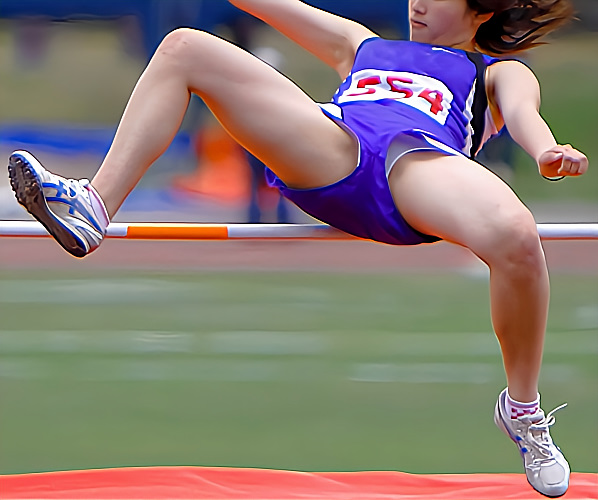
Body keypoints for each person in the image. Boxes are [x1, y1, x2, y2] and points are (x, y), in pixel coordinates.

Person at [7, 0, 589, 496]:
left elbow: (524, 117)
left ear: (480, 9)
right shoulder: (361, 44)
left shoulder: (494, 70)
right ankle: (95, 206)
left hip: (421, 164)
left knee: (517, 234)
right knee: (185, 46)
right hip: (336, 145)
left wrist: (545, 152)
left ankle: (522, 410)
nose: (417, 3)